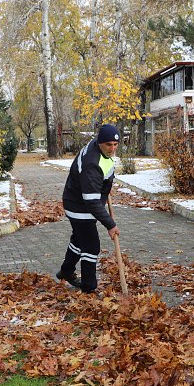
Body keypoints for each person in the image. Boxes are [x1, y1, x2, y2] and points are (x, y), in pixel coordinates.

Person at [57, 124, 121, 293]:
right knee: (91, 246)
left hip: (80, 200)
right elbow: (91, 202)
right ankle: (88, 287)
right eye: (108, 145)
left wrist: (106, 185)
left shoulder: (99, 148)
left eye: (115, 144)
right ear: (100, 142)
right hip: (79, 206)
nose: (112, 148)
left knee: (79, 239)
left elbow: (105, 171)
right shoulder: (91, 164)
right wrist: (110, 224)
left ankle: (66, 271)